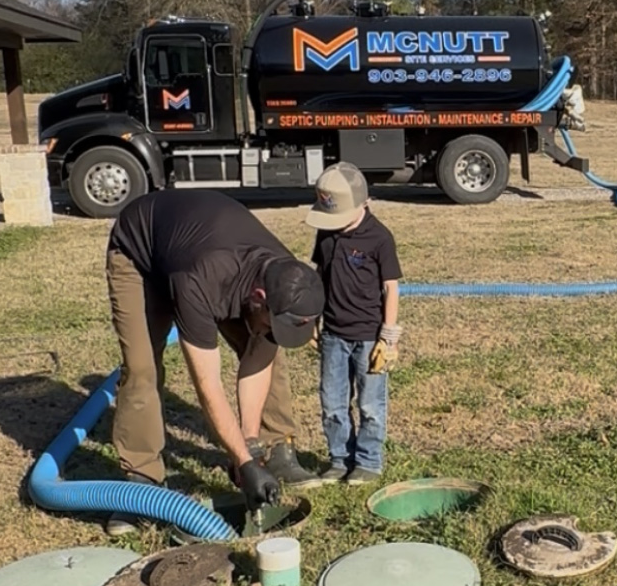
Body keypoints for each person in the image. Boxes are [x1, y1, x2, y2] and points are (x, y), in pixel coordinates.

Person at [105, 188, 323, 534]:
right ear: (259, 297)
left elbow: (259, 360)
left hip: (199, 249)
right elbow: (208, 386)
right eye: (272, 321)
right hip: (140, 256)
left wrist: (248, 448)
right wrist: (243, 461)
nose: (274, 330)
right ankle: (142, 482)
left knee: (267, 346)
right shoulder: (199, 281)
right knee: (142, 369)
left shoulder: (286, 276)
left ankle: (275, 451)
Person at [306, 163, 402, 485]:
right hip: (333, 335)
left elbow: (390, 288)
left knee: (370, 404)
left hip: (369, 337)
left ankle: (368, 462)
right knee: (332, 403)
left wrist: (387, 337)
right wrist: (313, 318)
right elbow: (319, 276)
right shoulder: (326, 233)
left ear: (364, 203)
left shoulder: (380, 238)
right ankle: (339, 459)